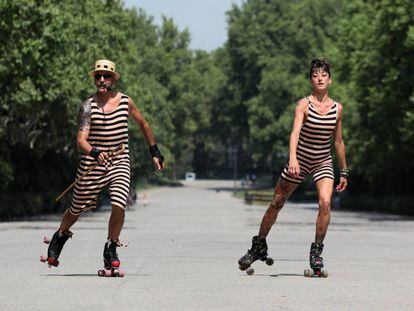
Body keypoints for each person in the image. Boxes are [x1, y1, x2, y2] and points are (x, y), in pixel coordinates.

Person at [44, 59, 165, 272]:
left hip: (119, 160)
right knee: (76, 209)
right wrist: (95, 152)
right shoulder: (87, 106)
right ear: (94, 79)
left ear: (113, 79)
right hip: (93, 163)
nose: (102, 79)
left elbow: (143, 124)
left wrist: (154, 152)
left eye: (106, 76)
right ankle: (60, 235)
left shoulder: (126, 102)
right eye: (98, 76)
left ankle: (110, 247)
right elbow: (81, 140)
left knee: (120, 202)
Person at [238, 58, 348, 275]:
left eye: (323, 75)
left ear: (330, 80)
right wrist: (293, 158)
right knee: (277, 202)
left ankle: (316, 252)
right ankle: (258, 245)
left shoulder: (337, 109)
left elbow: (338, 142)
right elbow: (295, 133)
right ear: (310, 80)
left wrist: (344, 170)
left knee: (325, 202)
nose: (319, 79)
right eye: (315, 76)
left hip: (322, 162)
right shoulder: (303, 105)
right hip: (300, 159)